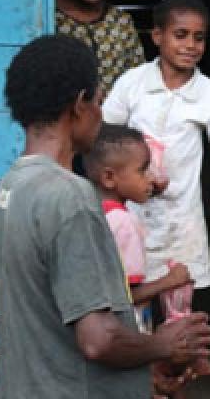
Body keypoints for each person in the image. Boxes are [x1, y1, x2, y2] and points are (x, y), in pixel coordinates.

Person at [0, 34, 210, 398]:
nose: (101, 110)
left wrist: (143, 372)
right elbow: (98, 340)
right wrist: (163, 345)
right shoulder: (70, 196)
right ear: (80, 105)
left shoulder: (13, 186)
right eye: (98, 99)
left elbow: (51, 321)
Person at [103, 0, 210, 293]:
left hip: (182, 221)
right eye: (180, 35)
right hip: (131, 215)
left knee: (179, 306)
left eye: (199, 38)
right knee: (130, 300)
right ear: (157, 36)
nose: (190, 46)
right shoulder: (132, 83)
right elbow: (105, 141)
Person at [82, 123, 193, 334]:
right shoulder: (123, 223)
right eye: (142, 171)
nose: (150, 178)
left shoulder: (91, 213)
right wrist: (171, 281)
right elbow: (125, 296)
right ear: (109, 178)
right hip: (124, 331)